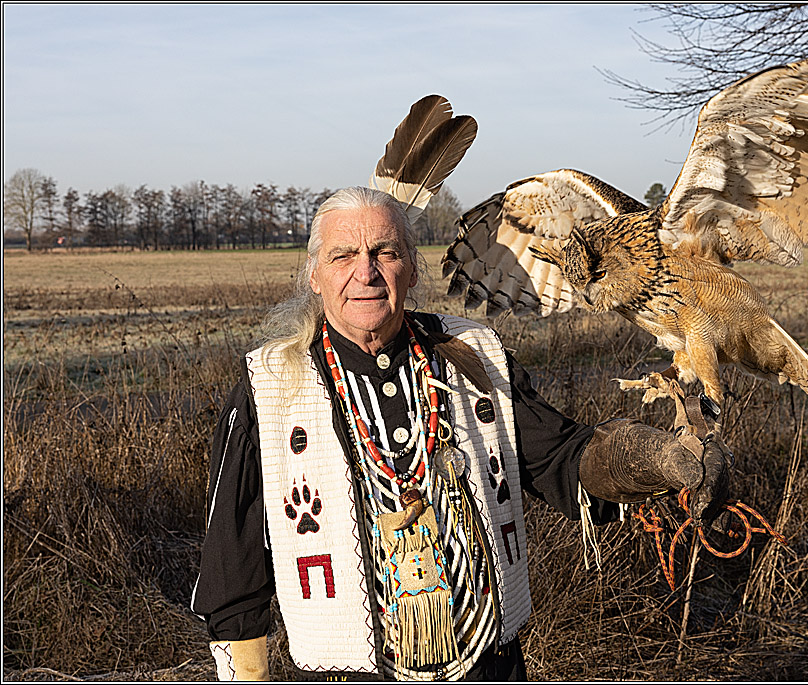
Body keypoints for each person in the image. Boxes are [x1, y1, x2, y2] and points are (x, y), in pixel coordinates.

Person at [191, 186, 729, 681]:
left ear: (412, 269)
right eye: (342, 256)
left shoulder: (474, 354)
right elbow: (232, 558)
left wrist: (652, 460)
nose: (367, 272)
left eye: (385, 252)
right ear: (314, 276)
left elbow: (559, 458)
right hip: (346, 666)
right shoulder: (272, 384)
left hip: (486, 663)